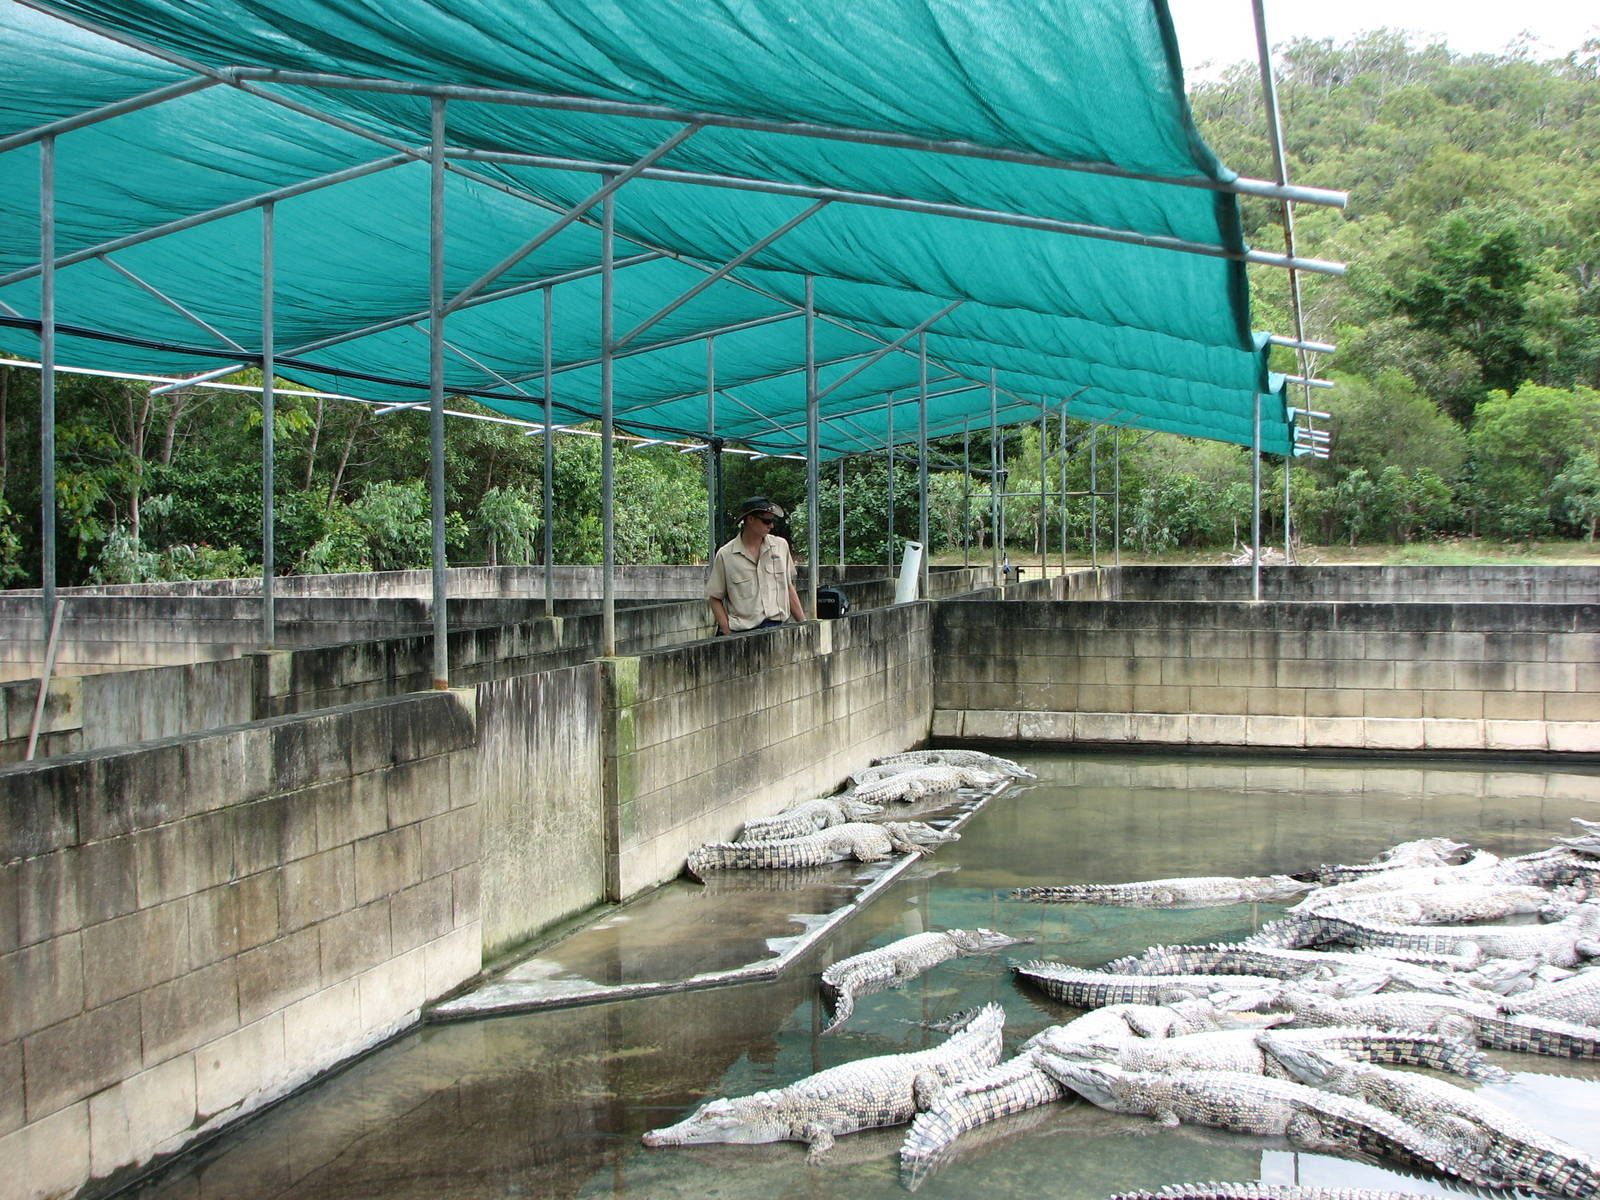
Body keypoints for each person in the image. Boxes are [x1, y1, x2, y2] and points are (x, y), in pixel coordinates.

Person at [706, 496, 807, 635]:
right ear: (750, 519)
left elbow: (788, 588)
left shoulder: (780, 546)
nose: (771, 526)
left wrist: (805, 626)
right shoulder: (726, 555)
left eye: (772, 521)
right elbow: (714, 598)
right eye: (766, 521)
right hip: (742, 632)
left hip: (778, 628)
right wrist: (728, 634)